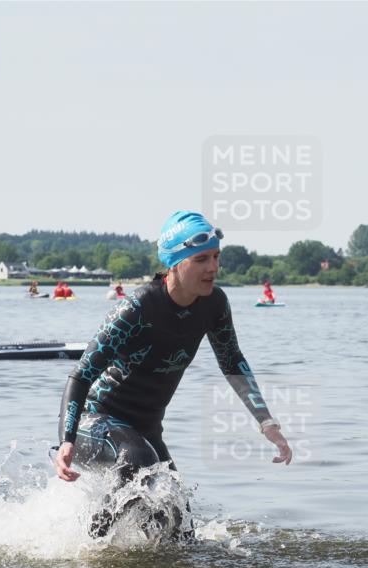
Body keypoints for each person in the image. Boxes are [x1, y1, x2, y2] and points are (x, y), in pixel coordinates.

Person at [53, 210, 292, 538]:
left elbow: (232, 362)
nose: (213, 268)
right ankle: (90, 549)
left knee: (178, 523)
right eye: (202, 259)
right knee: (136, 457)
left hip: (147, 433)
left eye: (216, 257)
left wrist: (267, 423)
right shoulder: (137, 310)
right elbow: (81, 377)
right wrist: (65, 441)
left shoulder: (214, 305)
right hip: (94, 426)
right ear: (176, 262)